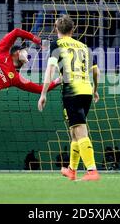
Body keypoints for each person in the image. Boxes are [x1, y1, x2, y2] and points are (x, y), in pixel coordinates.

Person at [38, 14, 100, 181]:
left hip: (72, 93)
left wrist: (43, 93)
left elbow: (50, 70)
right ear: (73, 30)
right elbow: (96, 71)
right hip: (86, 91)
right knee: (74, 131)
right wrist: (95, 90)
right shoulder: (84, 46)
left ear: (56, 29)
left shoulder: (56, 44)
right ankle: (72, 170)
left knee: (80, 131)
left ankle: (92, 170)